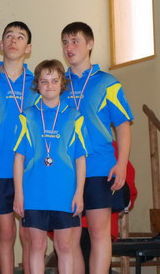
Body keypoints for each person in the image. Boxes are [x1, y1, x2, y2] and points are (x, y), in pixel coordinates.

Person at [60, 22, 133, 274]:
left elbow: (123, 125)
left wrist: (121, 163)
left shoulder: (107, 83)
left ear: (90, 44)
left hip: (99, 167)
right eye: (66, 42)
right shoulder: (58, 84)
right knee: (70, 237)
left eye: (75, 41)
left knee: (99, 233)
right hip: (66, 171)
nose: (70, 47)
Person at [13, 59, 88, 274]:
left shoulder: (75, 117)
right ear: (37, 84)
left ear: (62, 83)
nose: (49, 86)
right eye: (44, 81)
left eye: (54, 80)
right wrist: (19, 194)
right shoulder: (26, 116)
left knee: (65, 246)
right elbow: (18, 158)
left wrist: (79, 193)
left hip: (64, 194)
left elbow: (80, 159)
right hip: (34, 193)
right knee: (37, 245)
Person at [0, 21, 38, 273]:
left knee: (29, 233)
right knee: (5, 231)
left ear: (28, 48)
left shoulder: (38, 82)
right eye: (9, 37)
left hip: (31, 169)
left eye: (21, 37)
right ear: (1, 45)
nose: (14, 41)